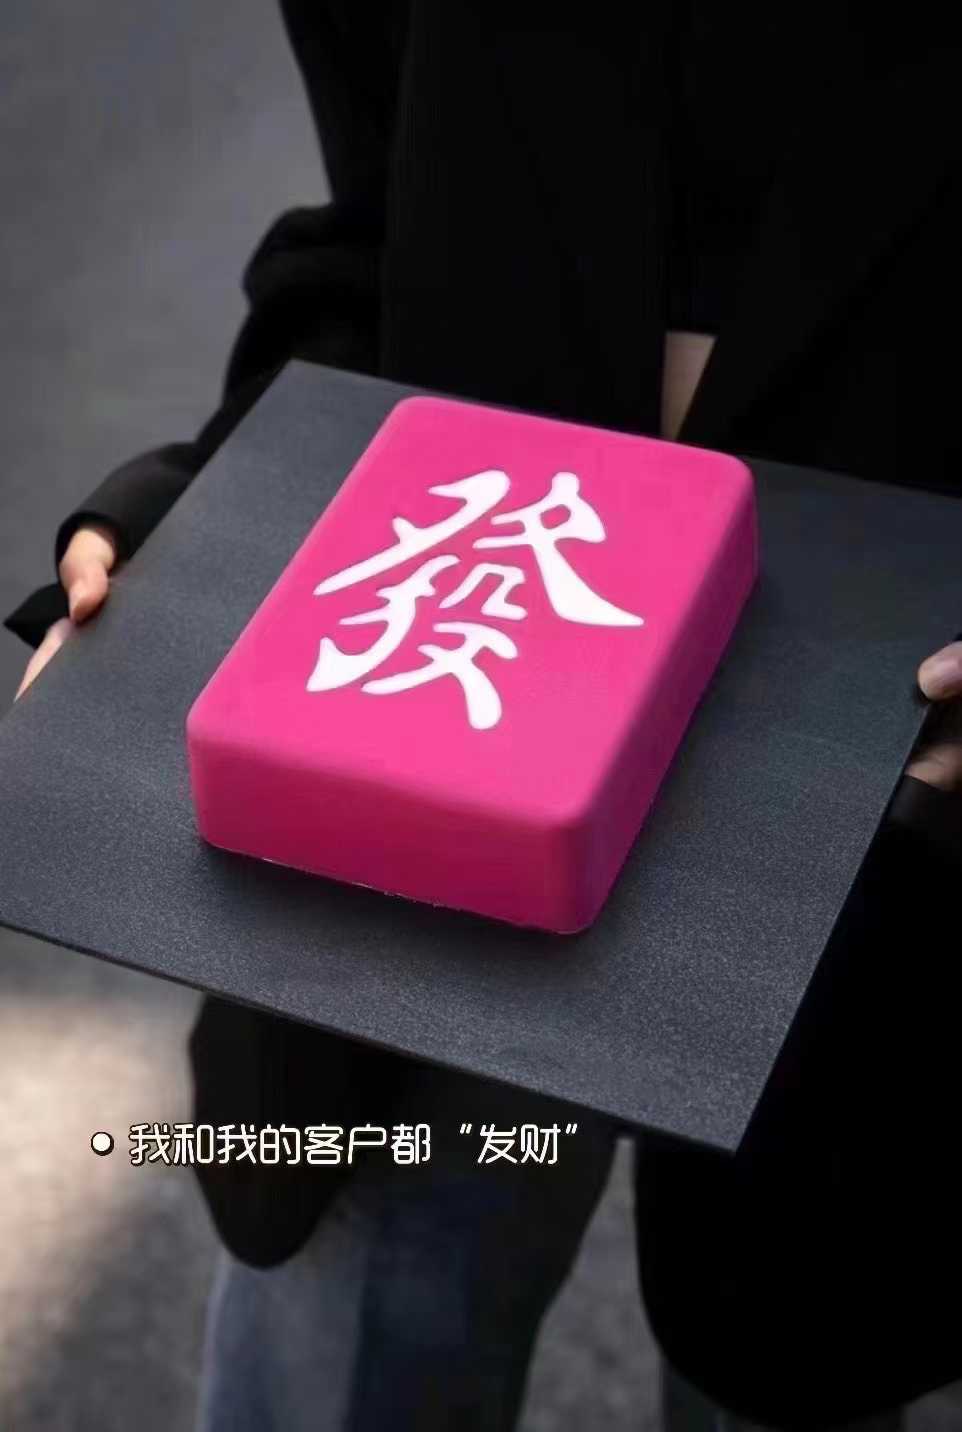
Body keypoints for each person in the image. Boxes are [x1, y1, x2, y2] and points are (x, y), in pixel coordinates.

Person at [7, 5, 962, 1429]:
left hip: (872, 788)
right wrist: (198, 513)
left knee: (783, 1337)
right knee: (351, 1331)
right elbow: (373, 241)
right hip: (437, 754)